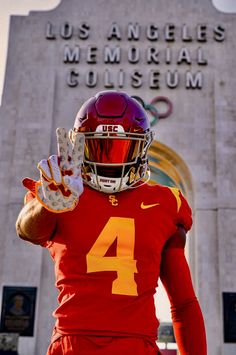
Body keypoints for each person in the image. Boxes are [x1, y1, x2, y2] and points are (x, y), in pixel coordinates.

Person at [15, 91, 207, 355]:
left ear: (142, 147)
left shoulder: (164, 202)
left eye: (121, 148)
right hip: (74, 344)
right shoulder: (62, 191)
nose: (111, 162)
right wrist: (47, 204)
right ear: (79, 146)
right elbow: (26, 230)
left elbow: (183, 301)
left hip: (134, 345)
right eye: (100, 148)